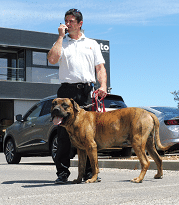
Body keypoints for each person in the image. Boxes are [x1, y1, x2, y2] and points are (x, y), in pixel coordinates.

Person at [47, 8, 107, 184]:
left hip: (85, 92)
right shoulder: (61, 43)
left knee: (88, 135)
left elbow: (100, 68)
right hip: (66, 92)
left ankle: (90, 173)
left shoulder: (92, 43)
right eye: (66, 20)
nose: (68, 23)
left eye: (71, 21)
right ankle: (62, 173)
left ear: (80, 24)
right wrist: (60, 37)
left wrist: (102, 85)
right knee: (63, 134)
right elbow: (52, 59)